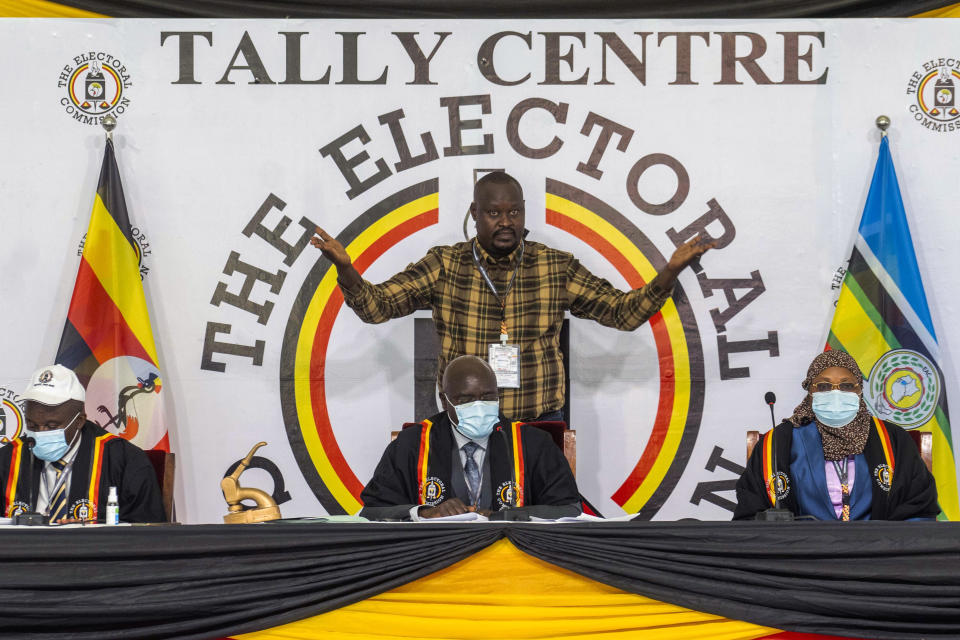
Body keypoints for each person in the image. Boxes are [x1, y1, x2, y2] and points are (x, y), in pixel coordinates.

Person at [312, 171, 714, 422]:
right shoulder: (445, 264)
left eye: (515, 212)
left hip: (541, 424)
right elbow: (378, 306)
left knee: (547, 534)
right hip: (466, 425)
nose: (506, 222)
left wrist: (669, 272)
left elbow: (622, 314)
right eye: (494, 213)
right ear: (474, 212)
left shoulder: (555, 266)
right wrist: (346, 269)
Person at [360, 355, 581, 521]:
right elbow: (371, 511)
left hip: (512, 561)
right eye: (465, 399)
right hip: (434, 559)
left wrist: (505, 516)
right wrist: (426, 512)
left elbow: (569, 509)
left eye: (488, 397)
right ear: (445, 401)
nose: (479, 406)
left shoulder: (533, 443)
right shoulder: (411, 444)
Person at [734, 350, 939, 521]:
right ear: (810, 391)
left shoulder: (893, 439)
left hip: (876, 556)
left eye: (847, 385)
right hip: (802, 555)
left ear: (859, 390)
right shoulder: (778, 443)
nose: (836, 393)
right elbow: (752, 512)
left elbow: (918, 508)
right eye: (823, 386)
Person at [0, 364, 165, 523]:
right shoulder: (7, 459)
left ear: (79, 421)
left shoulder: (124, 461)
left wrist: (89, 531)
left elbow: (147, 533)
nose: (40, 433)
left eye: (51, 426)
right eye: (32, 425)